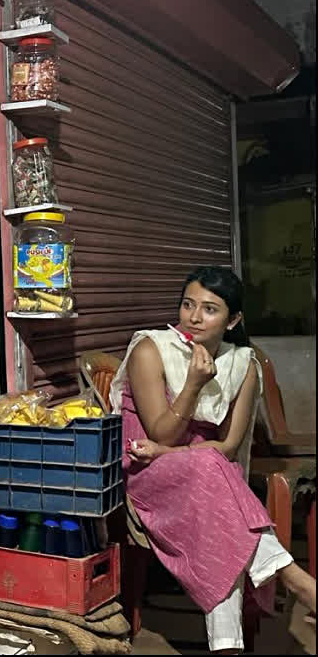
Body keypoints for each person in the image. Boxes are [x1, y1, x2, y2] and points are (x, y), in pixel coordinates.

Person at [111, 266, 316, 653]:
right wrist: (192, 385)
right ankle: (296, 580)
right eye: (188, 304)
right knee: (216, 482)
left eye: (209, 309)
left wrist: (178, 452)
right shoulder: (149, 348)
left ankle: (228, 646)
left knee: (219, 504)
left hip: (206, 474)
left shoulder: (243, 363)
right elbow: (159, 435)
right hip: (148, 472)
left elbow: (228, 445)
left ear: (233, 319)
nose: (193, 316)